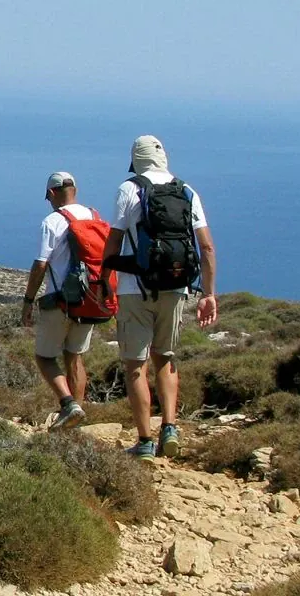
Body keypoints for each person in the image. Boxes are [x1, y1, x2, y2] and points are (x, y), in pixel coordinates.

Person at [100, 135, 219, 458]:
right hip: (176, 287)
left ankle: (144, 442)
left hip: (134, 289)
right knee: (165, 357)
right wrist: (209, 294)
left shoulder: (129, 189)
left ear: (136, 161)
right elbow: (206, 247)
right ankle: (170, 427)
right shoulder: (186, 190)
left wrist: (104, 278)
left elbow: (114, 240)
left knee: (135, 365)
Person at [20, 172, 100, 430]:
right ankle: (74, 419)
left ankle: (69, 404)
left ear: (52, 193)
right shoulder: (94, 216)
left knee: (44, 357)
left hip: (60, 300)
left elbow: (41, 264)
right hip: (90, 298)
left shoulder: (53, 221)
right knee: (75, 357)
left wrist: (28, 300)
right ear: (75, 190)